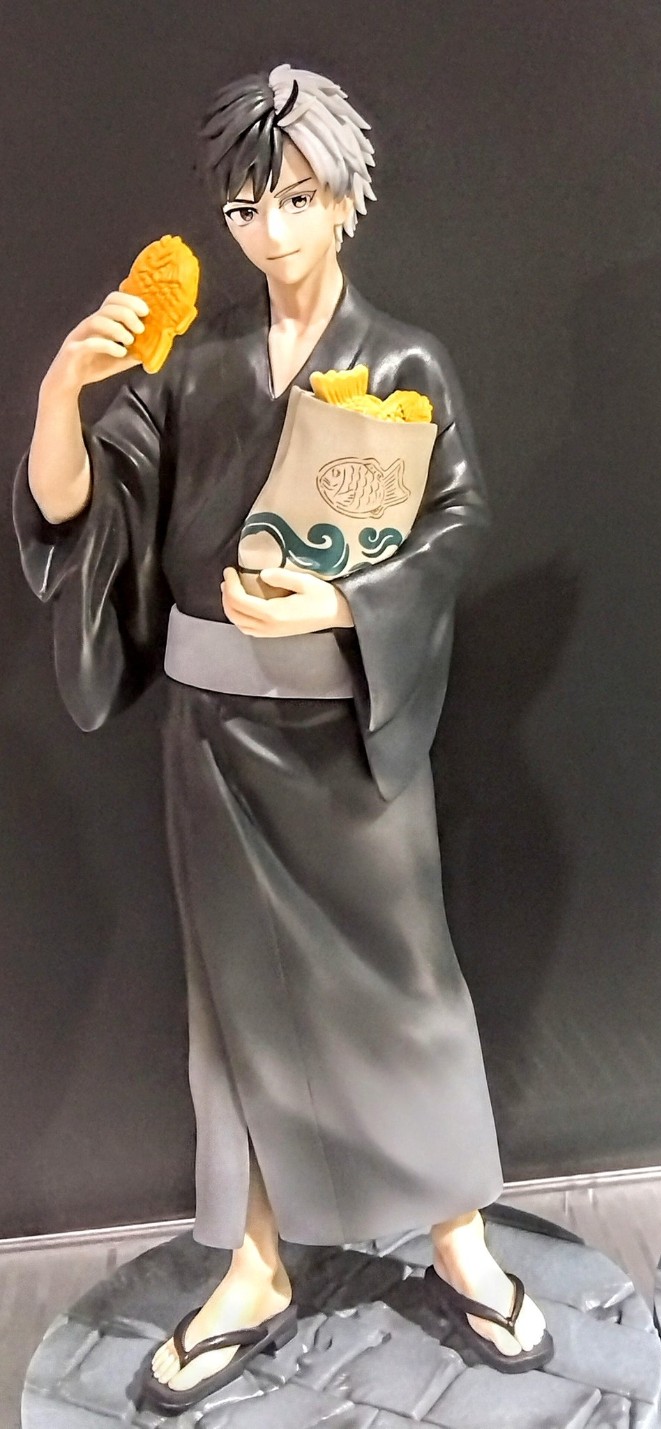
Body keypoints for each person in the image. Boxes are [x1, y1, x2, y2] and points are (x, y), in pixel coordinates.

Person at [14, 65, 551, 1412]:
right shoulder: (191, 365)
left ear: (347, 199)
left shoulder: (405, 359)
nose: (271, 229)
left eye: (298, 199)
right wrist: (62, 395)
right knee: (238, 1010)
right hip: (214, 732)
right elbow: (80, 513)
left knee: (408, 986)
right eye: (247, 205)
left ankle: (458, 1236)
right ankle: (255, 1260)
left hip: (347, 731)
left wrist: (343, 602)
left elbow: (457, 523)